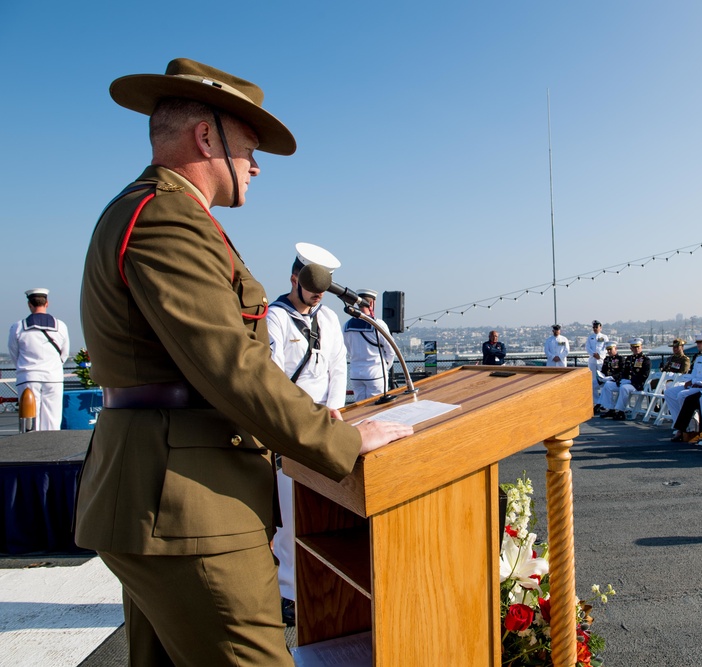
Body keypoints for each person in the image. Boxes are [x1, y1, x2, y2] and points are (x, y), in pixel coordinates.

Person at [74, 58, 412, 666]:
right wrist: (339, 441)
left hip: (161, 492)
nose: (256, 166)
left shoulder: (156, 211)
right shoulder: (168, 216)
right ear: (207, 137)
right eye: (250, 148)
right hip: (188, 505)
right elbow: (230, 364)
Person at [266, 243, 346, 627]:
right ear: (294, 279)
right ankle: (287, 594)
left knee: (321, 510)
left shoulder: (328, 319)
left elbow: (337, 366)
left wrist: (333, 409)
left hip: (324, 422)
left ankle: (318, 584)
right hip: (290, 426)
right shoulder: (275, 318)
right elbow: (272, 375)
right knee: (290, 514)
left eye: (322, 290)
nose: (317, 296)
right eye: (312, 287)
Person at [8, 288, 70, 430]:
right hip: (53, 377)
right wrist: (53, 366)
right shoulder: (61, 326)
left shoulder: (18, 327)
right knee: (53, 418)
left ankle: (30, 446)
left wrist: (24, 366)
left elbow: (14, 353)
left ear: (29, 304)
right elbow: (64, 354)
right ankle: (52, 447)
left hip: (28, 376)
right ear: (47, 303)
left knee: (29, 419)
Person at [662, 330, 702, 429]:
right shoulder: (700, 358)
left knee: (682, 395)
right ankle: (679, 423)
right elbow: (693, 374)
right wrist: (689, 382)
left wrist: (693, 382)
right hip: (694, 385)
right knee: (669, 393)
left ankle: (690, 424)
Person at [344, 288, 397, 401]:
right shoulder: (378, 324)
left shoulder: (347, 326)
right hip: (375, 373)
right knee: (376, 410)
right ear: (372, 303)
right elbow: (391, 350)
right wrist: (385, 366)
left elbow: (347, 348)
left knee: (360, 407)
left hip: (356, 373)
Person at [604, 338, 651, 421]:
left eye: (638, 347)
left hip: (636, 384)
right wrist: (620, 380)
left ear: (641, 347)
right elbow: (624, 372)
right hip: (626, 382)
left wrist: (631, 380)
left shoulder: (645, 360)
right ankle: (611, 408)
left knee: (624, 388)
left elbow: (644, 375)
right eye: (634, 347)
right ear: (631, 349)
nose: (636, 349)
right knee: (608, 385)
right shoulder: (629, 359)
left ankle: (621, 411)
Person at [595, 341, 624, 416]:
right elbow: (603, 371)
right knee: (592, 383)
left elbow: (622, 372)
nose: (609, 351)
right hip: (605, 379)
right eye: (607, 350)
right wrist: (600, 376)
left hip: (614, 380)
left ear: (616, 348)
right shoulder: (607, 359)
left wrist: (612, 377)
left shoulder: (621, 359)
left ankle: (606, 407)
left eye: (610, 349)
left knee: (607, 385)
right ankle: (597, 402)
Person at [585, 320, 609, 404]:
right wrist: (593, 354)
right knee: (592, 380)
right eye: (594, 327)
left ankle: (603, 400)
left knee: (602, 379)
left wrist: (600, 356)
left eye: (596, 327)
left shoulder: (604, 337)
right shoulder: (590, 337)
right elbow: (587, 347)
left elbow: (606, 348)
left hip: (601, 361)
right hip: (592, 360)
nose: (595, 329)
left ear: (600, 328)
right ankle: (596, 400)